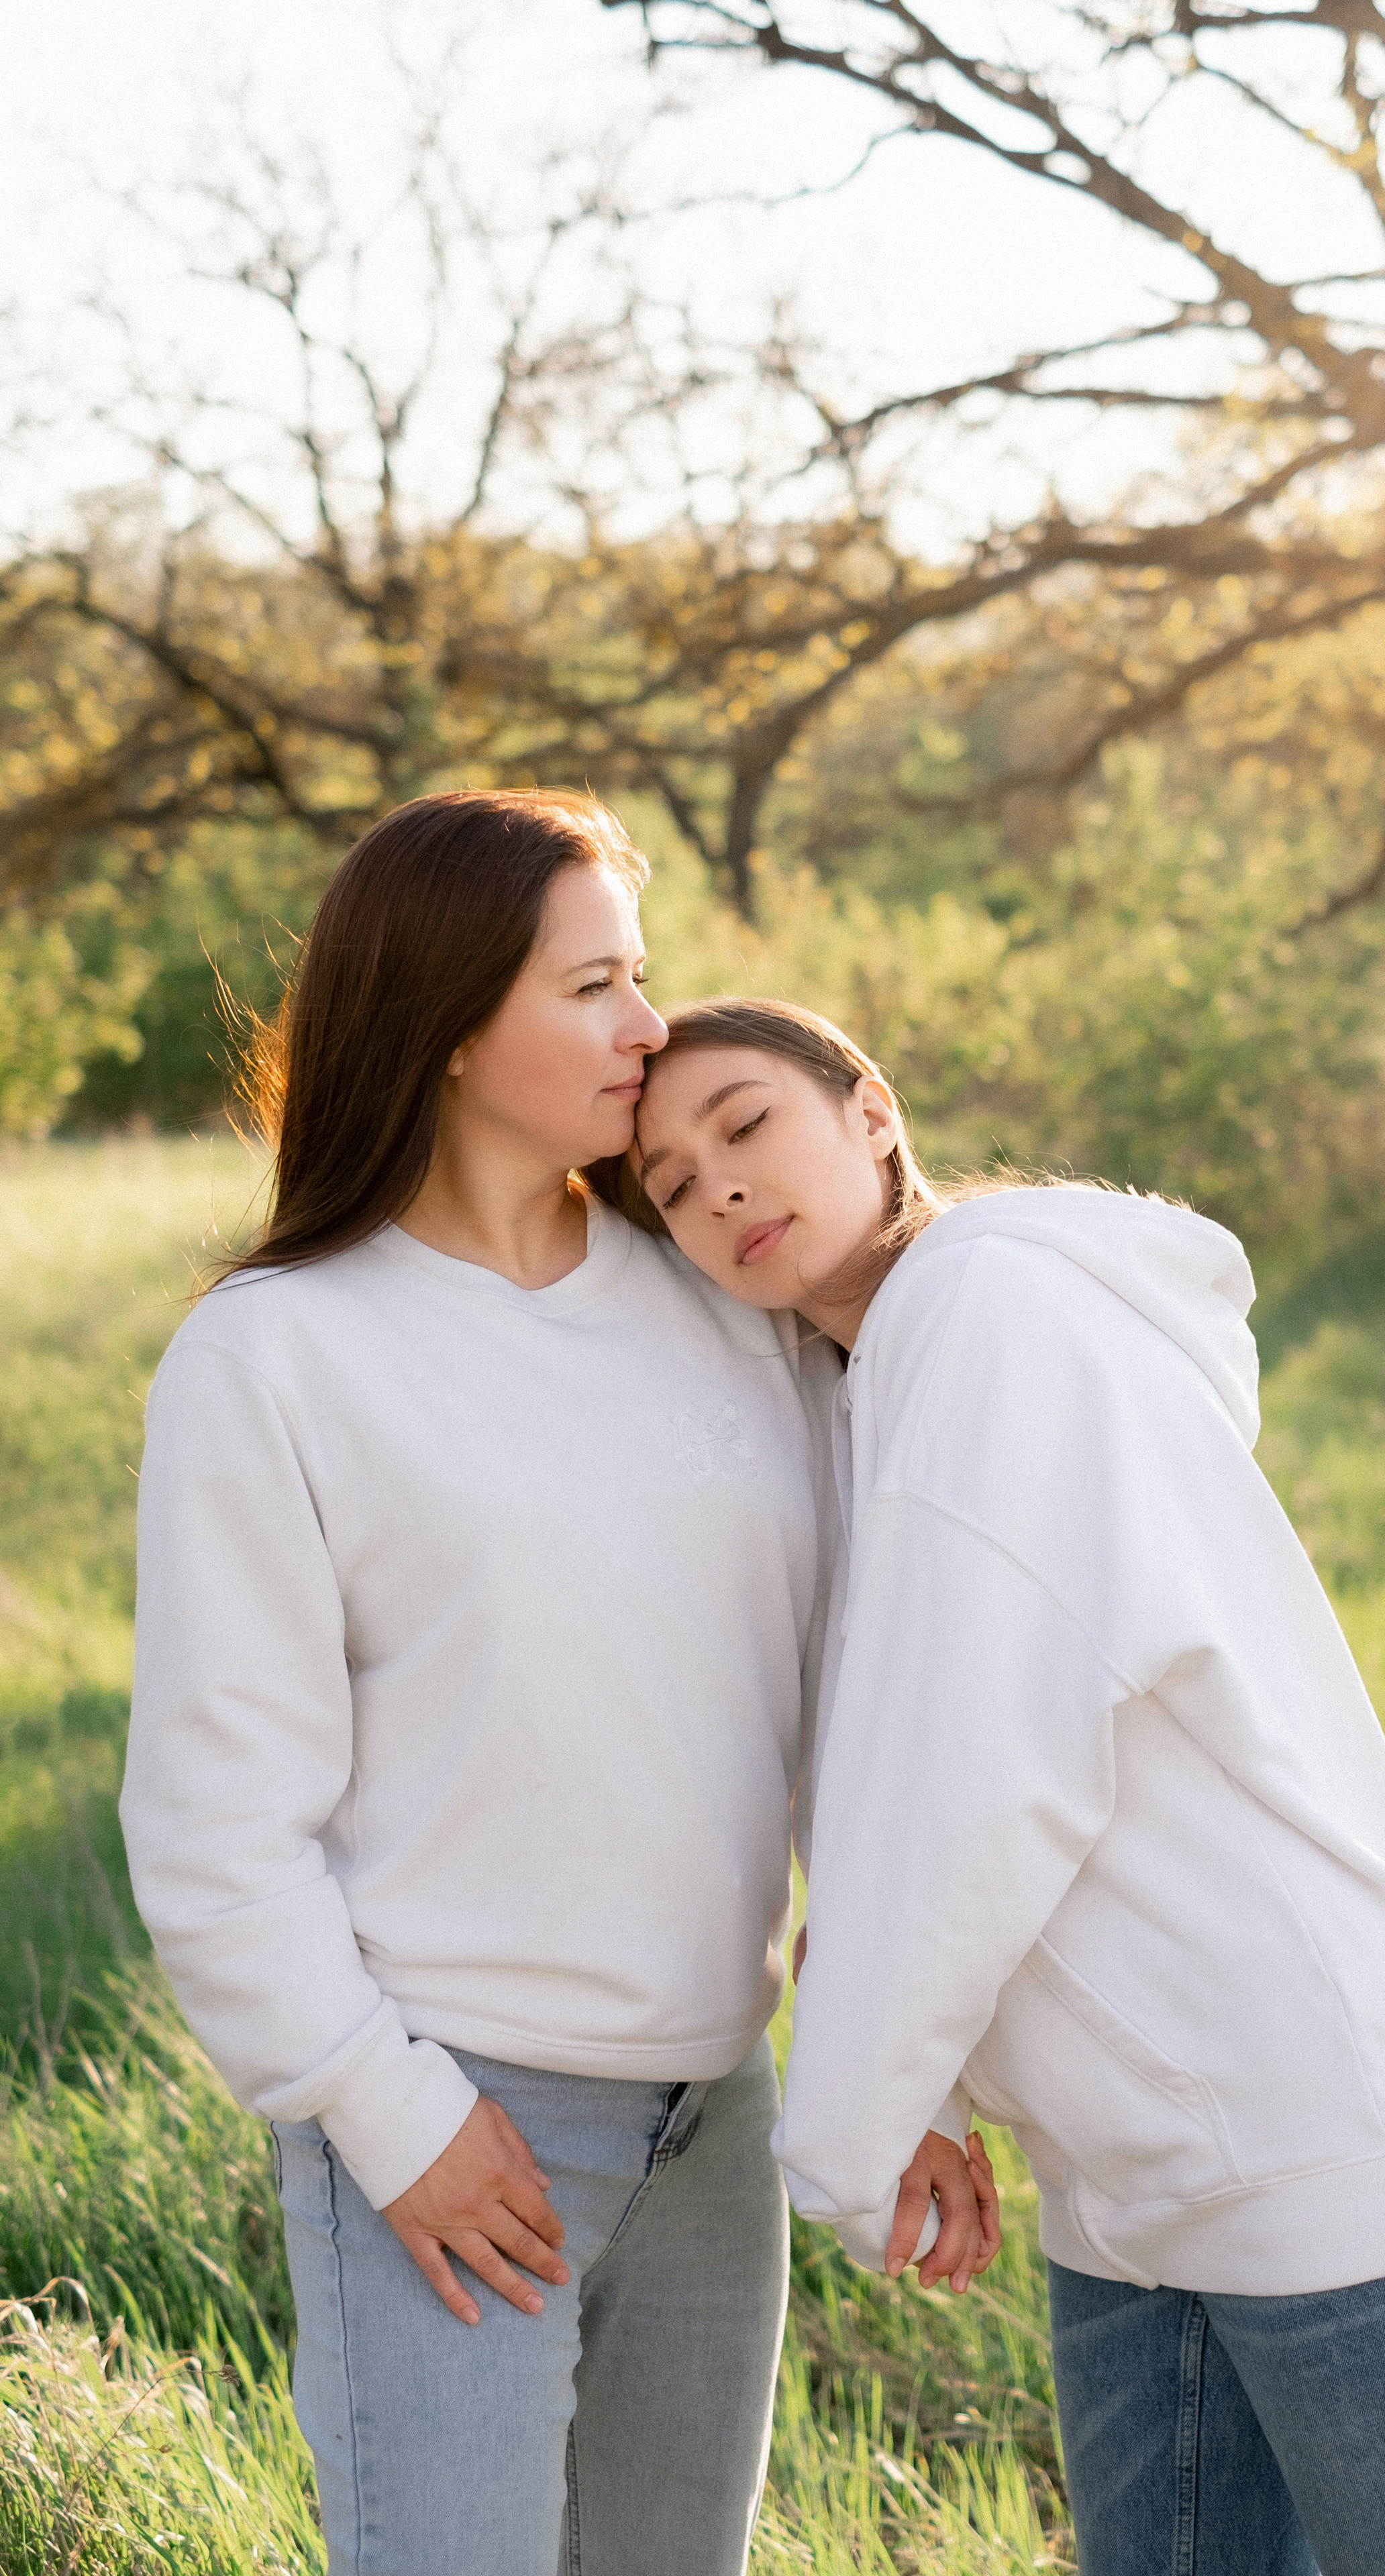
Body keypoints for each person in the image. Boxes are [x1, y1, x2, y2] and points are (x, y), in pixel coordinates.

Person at [609, 993, 1385, 2576]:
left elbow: (974, 1759)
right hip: (1134, 2187)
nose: (716, 1187)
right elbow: (889, 1739)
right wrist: (931, 2083)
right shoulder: (870, 1386)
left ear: (869, 1107)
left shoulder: (993, 1314)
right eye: (669, 1185)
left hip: (1320, 2147)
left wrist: (852, 2126)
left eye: (743, 1125)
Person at [119, 796, 991, 2576]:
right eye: (593, 986)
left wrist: (915, 2046)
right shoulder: (281, 1354)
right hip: (453, 2131)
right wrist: (390, 2117)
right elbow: (217, 1820)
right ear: (452, 1025)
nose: (649, 1030)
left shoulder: (721, 1300)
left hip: (717, 2124)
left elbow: (863, 1708)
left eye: (641, 978)